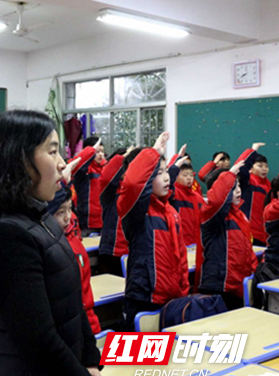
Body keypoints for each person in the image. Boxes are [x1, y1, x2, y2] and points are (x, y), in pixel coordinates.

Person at [0, 110, 103, 376]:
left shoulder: (39, 218)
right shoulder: (4, 235)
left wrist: (90, 360)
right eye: (52, 151)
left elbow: (70, 299)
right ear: (19, 160)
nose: (62, 163)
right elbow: (38, 340)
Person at [117, 132, 189, 331]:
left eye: (166, 171)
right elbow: (133, 184)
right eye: (159, 173)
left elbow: (180, 257)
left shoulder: (171, 212)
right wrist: (154, 152)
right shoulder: (135, 212)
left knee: (167, 360)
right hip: (143, 298)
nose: (167, 178)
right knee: (139, 360)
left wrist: (182, 292)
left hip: (171, 300)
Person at [198, 159, 258, 310]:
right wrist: (229, 174)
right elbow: (217, 200)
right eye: (233, 188)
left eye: (238, 187)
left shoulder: (240, 216)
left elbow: (248, 250)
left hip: (237, 287)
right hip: (218, 287)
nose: (238, 191)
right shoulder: (212, 216)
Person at [48, 186, 101, 334]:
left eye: (70, 209)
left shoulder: (74, 240)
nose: (67, 217)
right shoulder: (48, 248)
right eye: (60, 212)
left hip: (88, 320)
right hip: (67, 327)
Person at [98, 147, 134, 276]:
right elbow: (107, 178)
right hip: (112, 252)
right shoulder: (110, 194)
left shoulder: (137, 193)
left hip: (133, 252)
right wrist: (125, 156)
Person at [73, 135, 106, 236]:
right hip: (87, 224)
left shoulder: (106, 168)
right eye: (96, 152)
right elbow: (76, 164)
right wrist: (90, 150)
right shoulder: (84, 170)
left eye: (102, 151)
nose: (100, 155)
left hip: (104, 222)